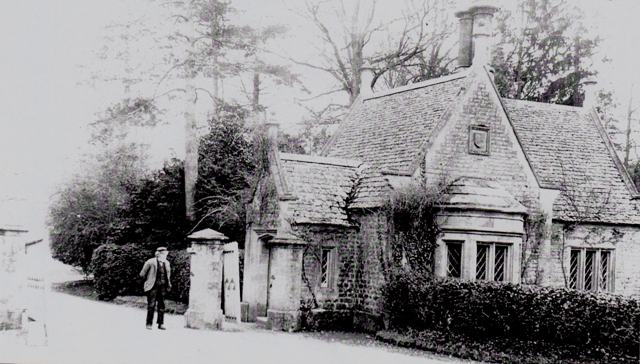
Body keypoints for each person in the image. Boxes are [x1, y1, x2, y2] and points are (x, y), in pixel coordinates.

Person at [139, 247, 172, 330]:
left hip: (163, 287)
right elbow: (142, 274)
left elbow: (168, 275)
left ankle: (160, 324)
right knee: (151, 305)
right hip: (152, 287)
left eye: (166, 253)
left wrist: (168, 285)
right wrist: (149, 281)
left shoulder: (167, 263)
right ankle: (149, 324)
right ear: (159, 254)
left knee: (162, 306)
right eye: (164, 253)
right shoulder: (150, 262)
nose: (166, 255)